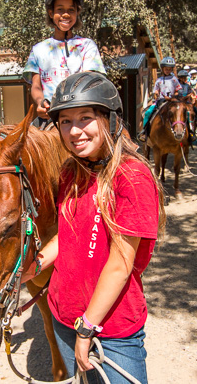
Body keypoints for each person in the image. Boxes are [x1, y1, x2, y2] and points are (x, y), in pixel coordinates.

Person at [22, 72, 166, 384]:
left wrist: (88, 327)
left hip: (111, 328)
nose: (74, 131)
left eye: (85, 118)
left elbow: (120, 265)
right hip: (63, 315)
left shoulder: (132, 177)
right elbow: (68, 235)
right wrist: (31, 268)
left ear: (111, 120)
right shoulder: (71, 172)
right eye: (65, 121)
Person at [23, 0, 106, 128]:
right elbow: (35, 86)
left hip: (82, 113)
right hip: (51, 113)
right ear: (50, 13)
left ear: (77, 13)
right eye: (60, 9)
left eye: (71, 10)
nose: (66, 14)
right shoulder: (38, 50)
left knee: (114, 134)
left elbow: (89, 81)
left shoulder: (87, 46)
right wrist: (40, 102)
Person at [138, 56, 181, 142]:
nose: (168, 70)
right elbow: (156, 90)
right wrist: (156, 93)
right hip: (161, 100)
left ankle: (188, 133)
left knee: (183, 112)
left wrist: (173, 96)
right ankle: (144, 132)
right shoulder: (159, 80)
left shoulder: (174, 79)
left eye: (169, 69)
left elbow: (178, 90)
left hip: (172, 101)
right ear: (162, 69)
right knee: (148, 113)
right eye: (166, 69)